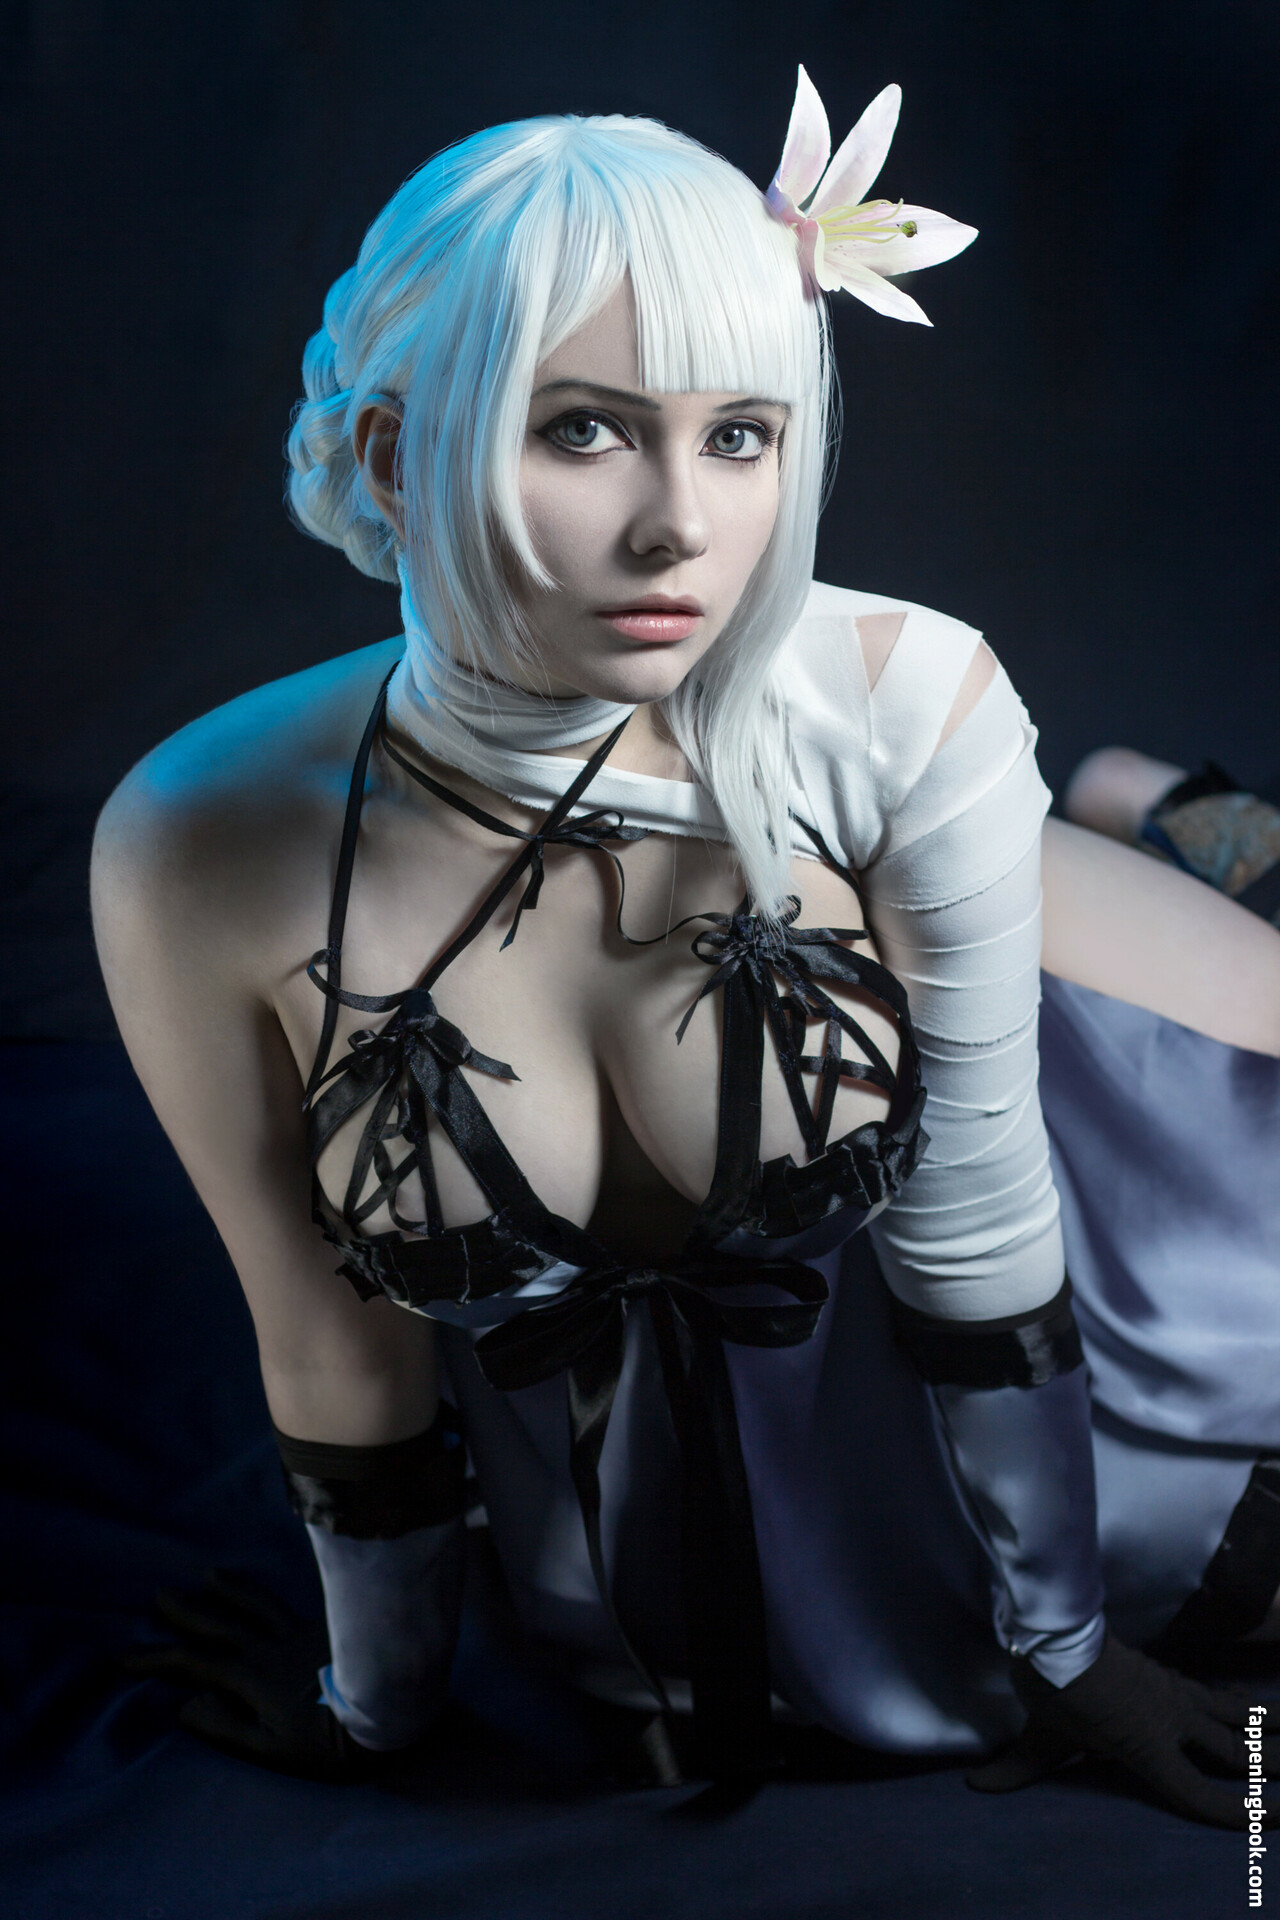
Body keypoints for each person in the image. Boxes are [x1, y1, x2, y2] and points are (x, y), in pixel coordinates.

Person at [91, 72, 1280, 1824]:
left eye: (741, 434)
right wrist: (376, 1705)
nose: (684, 530)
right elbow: (331, 1337)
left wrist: (1071, 1647)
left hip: (1122, 1117)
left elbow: (977, 1204)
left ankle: (1174, 812)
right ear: (393, 456)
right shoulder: (197, 839)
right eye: (584, 431)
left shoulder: (904, 695)